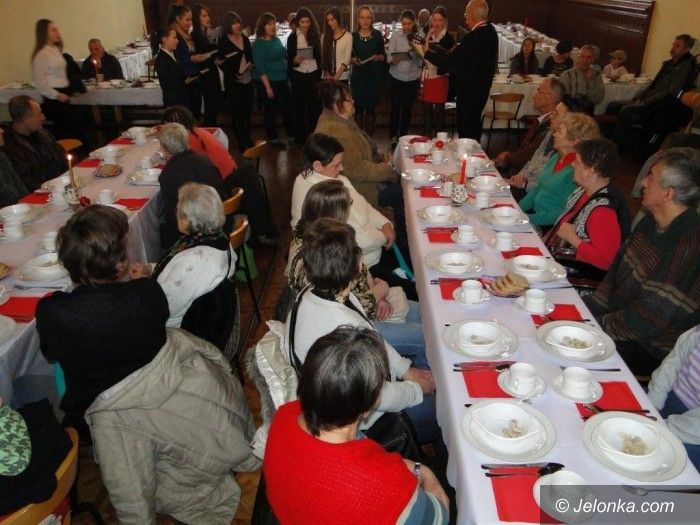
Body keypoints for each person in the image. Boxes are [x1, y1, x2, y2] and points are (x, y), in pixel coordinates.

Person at [265, 326, 449, 524]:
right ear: (368, 407)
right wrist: (427, 475)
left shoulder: (285, 415)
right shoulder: (379, 487)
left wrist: (419, 470)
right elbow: (440, 516)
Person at [285, 218, 440, 445]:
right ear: (358, 266)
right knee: (444, 410)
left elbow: (375, 337)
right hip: (363, 423)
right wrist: (416, 390)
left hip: (342, 400)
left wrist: (406, 370)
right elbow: (376, 396)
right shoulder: (344, 328)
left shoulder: (312, 294)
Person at [85, 327, 260, 524]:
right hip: (241, 432)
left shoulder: (110, 417)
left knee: (134, 464)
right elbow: (221, 362)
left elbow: (133, 500)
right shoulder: (171, 335)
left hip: (203, 475)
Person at [35, 205, 170, 438]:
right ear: (119, 264)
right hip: (151, 405)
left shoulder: (52, 311)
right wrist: (140, 283)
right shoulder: (148, 292)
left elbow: (50, 352)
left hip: (91, 417)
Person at [584, 147, 700, 376]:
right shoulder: (651, 221)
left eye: (651, 178)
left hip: (649, 348)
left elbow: (646, 320)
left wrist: (591, 326)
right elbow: (614, 276)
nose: (643, 183)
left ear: (668, 194)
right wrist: (586, 310)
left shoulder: (687, 245)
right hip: (618, 323)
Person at [288, 179, 427, 368]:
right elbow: (346, 310)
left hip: (369, 303)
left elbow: (360, 275)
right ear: (335, 212)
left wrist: (376, 289)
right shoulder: (313, 255)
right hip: (353, 331)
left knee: (428, 315)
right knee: (426, 336)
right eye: (348, 205)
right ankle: (420, 376)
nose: (350, 210)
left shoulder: (329, 238)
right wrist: (381, 290)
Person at [130, 183, 238, 354]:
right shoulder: (215, 237)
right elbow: (176, 270)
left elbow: (162, 307)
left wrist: (141, 284)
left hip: (179, 334)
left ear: (187, 220)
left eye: (178, 209)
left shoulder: (197, 261)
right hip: (194, 315)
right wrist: (150, 269)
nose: (175, 212)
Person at [162, 105, 279, 245]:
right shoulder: (200, 132)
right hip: (233, 177)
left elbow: (184, 169)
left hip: (224, 190)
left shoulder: (189, 143)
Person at [543, 138, 631, 281]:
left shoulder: (603, 211)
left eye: (577, 162)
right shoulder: (585, 191)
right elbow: (564, 221)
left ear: (590, 170)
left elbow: (607, 261)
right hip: (560, 260)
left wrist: (574, 239)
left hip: (578, 278)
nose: (572, 164)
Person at [420, 0, 498, 139]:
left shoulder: (474, 37)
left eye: (466, 12)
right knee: (473, 125)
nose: (464, 15)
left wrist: (427, 53)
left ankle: (468, 151)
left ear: (472, 15)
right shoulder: (490, 31)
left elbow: (450, 62)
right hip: (480, 90)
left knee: (467, 130)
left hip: (470, 92)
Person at [609, 34, 697, 149]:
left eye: (677, 46)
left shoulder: (685, 67)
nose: (673, 48)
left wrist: (646, 102)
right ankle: (607, 142)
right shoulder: (669, 64)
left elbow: (671, 92)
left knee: (626, 111)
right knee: (613, 105)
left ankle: (616, 147)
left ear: (687, 49)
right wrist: (640, 97)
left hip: (658, 106)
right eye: (673, 45)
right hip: (648, 100)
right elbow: (653, 85)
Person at [314, 80, 393, 208]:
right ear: (337, 105)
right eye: (349, 100)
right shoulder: (336, 131)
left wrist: (383, 161)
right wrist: (388, 169)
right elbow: (358, 170)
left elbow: (365, 149)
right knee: (403, 193)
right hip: (357, 191)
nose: (353, 102)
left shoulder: (341, 119)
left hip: (364, 181)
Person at [519, 112, 600, 228]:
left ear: (574, 141)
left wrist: (527, 218)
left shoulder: (575, 171)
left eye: (560, 131)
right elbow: (538, 189)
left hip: (549, 226)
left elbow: (562, 213)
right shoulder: (556, 157)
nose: (554, 134)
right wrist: (518, 209)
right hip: (535, 215)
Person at [508, 94, 595, 200]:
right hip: (527, 189)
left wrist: (525, 183)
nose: (550, 116)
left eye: (556, 114)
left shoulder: (570, 156)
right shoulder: (550, 134)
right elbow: (533, 160)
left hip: (535, 194)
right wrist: (521, 175)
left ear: (570, 121)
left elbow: (548, 186)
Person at [157, 122, 226, 251]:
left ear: (164, 149)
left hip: (196, 232)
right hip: (219, 220)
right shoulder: (204, 159)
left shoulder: (167, 174)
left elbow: (174, 216)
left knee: (160, 227)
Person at [648, 326, 700, 470]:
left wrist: (664, 427)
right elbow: (672, 363)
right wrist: (653, 402)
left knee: (662, 458)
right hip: (671, 395)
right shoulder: (696, 334)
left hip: (694, 431)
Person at [30, 19, 87, 142]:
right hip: (54, 98)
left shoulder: (55, 50)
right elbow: (40, 82)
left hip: (63, 93)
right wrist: (56, 95)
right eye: (53, 30)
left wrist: (71, 90)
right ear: (44, 33)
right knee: (70, 130)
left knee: (73, 129)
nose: (57, 32)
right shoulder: (42, 54)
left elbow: (61, 75)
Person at [494, 77, 565, 174]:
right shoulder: (541, 119)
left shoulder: (552, 127)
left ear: (549, 98)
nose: (533, 96)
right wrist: (509, 155)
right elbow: (526, 148)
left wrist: (506, 158)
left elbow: (528, 155)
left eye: (538, 91)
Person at [2, 95, 67, 192]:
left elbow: (62, 159)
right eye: (38, 114)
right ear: (23, 119)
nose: (43, 117)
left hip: (60, 185)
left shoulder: (44, 134)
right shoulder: (9, 147)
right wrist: (53, 188)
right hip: (42, 193)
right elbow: (27, 182)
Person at [252, 12, 295, 147]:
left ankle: (292, 135)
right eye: (269, 24)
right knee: (271, 110)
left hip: (281, 79)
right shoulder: (259, 44)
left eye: (273, 24)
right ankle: (273, 139)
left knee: (287, 107)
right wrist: (268, 87)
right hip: (267, 81)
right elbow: (260, 67)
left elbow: (283, 54)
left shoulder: (276, 39)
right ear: (262, 26)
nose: (273, 27)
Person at [217, 11, 254, 151]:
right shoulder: (223, 41)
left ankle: (248, 138)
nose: (237, 25)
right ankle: (241, 142)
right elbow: (221, 63)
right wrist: (235, 71)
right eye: (233, 23)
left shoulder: (244, 38)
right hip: (233, 81)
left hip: (247, 79)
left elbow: (250, 57)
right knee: (237, 112)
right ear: (228, 26)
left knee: (247, 110)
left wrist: (250, 65)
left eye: (238, 22)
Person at [168, 5, 212, 120]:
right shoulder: (175, 36)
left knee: (195, 115)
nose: (190, 23)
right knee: (189, 117)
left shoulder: (184, 34)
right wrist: (192, 59)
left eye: (191, 20)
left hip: (193, 78)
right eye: (187, 20)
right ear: (177, 18)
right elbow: (176, 61)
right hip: (186, 82)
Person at [387, 10, 423, 148]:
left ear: (414, 23)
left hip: (413, 77)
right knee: (395, 108)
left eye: (409, 24)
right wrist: (393, 60)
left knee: (407, 109)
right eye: (404, 24)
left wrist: (416, 55)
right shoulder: (396, 35)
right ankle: (393, 137)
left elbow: (422, 60)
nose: (406, 26)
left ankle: (403, 136)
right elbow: (389, 55)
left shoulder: (419, 36)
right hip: (396, 76)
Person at [287, 7, 322, 143]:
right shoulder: (292, 38)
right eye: (303, 22)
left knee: (314, 107)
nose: (306, 25)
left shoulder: (315, 35)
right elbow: (290, 59)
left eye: (308, 22)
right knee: (299, 107)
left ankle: (313, 137)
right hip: (299, 75)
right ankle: (300, 138)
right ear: (298, 22)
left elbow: (319, 56)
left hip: (313, 74)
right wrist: (295, 60)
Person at [350, 5, 385, 137]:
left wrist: (378, 57)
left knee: (370, 110)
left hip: (373, 77)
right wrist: (353, 60)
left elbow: (383, 56)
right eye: (362, 18)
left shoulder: (377, 35)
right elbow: (348, 57)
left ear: (372, 19)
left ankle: (369, 141)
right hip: (358, 78)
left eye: (368, 18)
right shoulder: (352, 36)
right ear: (358, 19)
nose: (365, 21)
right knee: (358, 110)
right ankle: (360, 140)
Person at [420, 6, 455, 137]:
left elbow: (442, 61)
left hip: (440, 77)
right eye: (434, 20)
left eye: (439, 20)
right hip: (428, 76)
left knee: (439, 112)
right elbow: (424, 54)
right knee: (426, 110)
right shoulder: (428, 35)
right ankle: (426, 139)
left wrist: (427, 51)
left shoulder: (448, 39)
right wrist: (427, 37)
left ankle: (440, 141)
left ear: (445, 21)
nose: (436, 23)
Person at [191, 3, 221, 126]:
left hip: (211, 69)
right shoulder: (196, 34)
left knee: (214, 103)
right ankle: (209, 129)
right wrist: (216, 49)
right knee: (211, 104)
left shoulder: (205, 32)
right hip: (205, 72)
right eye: (204, 16)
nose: (207, 18)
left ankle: (211, 127)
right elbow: (204, 52)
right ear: (196, 18)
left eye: (208, 15)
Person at [153, 27, 190, 109]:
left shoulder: (173, 54)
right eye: (174, 38)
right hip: (174, 103)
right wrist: (184, 82)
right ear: (164, 39)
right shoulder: (162, 60)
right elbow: (167, 86)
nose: (177, 41)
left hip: (181, 99)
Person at [321, 8, 352, 82]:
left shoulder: (348, 36)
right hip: (327, 78)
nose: (329, 23)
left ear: (338, 19)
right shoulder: (324, 37)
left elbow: (347, 59)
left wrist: (336, 77)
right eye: (328, 20)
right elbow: (323, 57)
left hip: (342, 77)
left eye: (332, 20)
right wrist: (328, 75)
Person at [0, 127, 29, 206]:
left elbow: (19, 185)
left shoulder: (2, 156)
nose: (2, 131)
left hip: (18, 206)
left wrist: (28, 202)